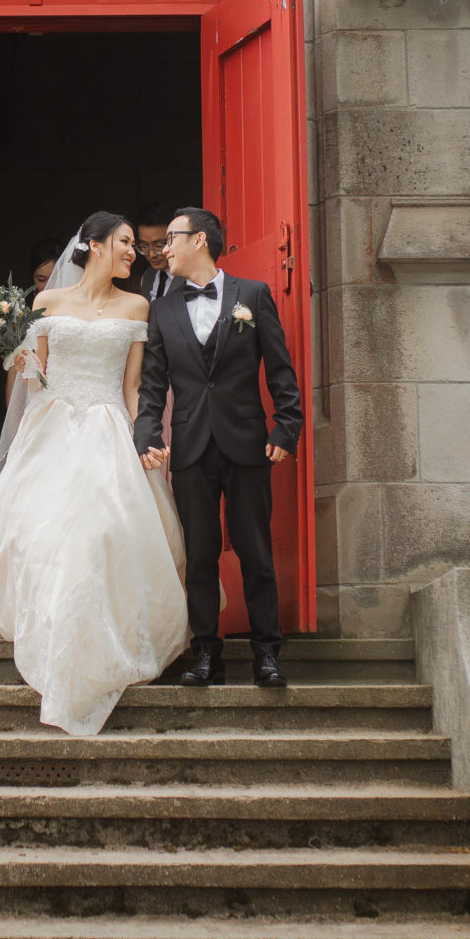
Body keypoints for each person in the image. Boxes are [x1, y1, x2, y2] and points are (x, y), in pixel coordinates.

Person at [0, 211, 189, 735]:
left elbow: (134, 386)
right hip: (52, 429)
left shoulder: (137, 305)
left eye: (133, 246)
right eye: (123, 244)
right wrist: (28, 370)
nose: (132, 253)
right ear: (92, 246)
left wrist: (149, 439)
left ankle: (91, 645)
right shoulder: (47, 302)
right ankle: (54, 641)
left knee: (99, 532)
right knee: (49, 536)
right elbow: (38, 377)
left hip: (108, 428)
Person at [137, 206, 302, 689]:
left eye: (172, 238)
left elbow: (280, 370)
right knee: (201, 553)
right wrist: (148, 434)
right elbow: (151, 386)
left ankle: (267, 653)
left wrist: (285, 429)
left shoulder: (252, 295)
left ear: (201, 241)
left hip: (248, 441)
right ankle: (206, 653)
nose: (163, 248)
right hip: (189, 447)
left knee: (255, 550)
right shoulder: (162, 310)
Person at [122, 204, 179, 301]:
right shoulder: (148, 276)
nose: (152, 255)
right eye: (144, 246)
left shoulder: (189, 277)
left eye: (159, 246)